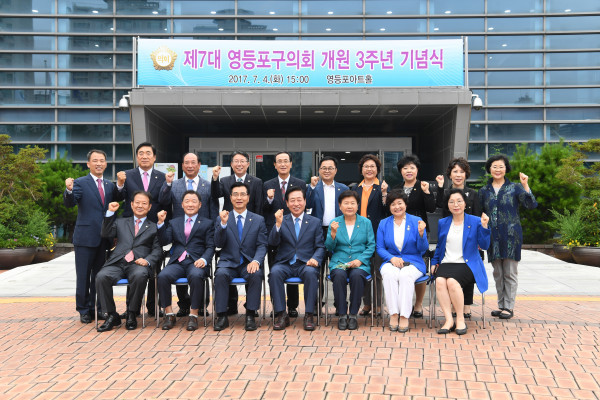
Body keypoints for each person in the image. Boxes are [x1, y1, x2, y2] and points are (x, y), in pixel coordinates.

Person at [479, 155, 537, 320]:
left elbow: (531, 205)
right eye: (494, 166)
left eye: (501, 166)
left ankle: (509, 307)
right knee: (498, 273)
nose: (498, 170)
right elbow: (479, 214)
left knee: (510, 272)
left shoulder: (515, 188)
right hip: (493, 237)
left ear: (506, 169)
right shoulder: (484, 191)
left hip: (511, 237)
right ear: (489, 169)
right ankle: (501, 305)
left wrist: (525, 185)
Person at [159, 152, 217, 317]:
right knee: (178, 265)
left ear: (199, 165)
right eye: (187, 163)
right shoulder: (174, 184)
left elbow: (213, 209)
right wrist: (167, 184)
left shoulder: (208, 185)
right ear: (182, 166)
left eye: (193, 163)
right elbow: (163, 201)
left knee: (199, 271)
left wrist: (213, 230)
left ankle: (201, 306)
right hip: (180, 233)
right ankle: (183, 304)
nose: (190, 166)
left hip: (201, 234)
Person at [95, 192, 163, 332]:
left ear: (149, 207)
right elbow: (105, 234)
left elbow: (158, 250)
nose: (140, 206)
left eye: (144, 203)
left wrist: (148, 260)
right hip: (117, 262)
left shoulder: (154, 227)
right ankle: (111, 315)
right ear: (131, 205)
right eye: (137, 202)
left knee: (139, 275)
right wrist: (110, 213)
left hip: (138, 263)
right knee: (101, 276)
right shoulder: (120, 222)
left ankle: (132, 313)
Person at [115, 141, 168, 318]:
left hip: (154, 228)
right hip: (133, 229)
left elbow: (165, 202)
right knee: (132, 266)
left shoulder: (162, 177)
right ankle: (132, 308)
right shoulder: (127, 175)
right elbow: (118, 197)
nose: (144, 156)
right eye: (141, 153)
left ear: (154, 157)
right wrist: (120, 184)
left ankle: (153, 307)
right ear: (137, 157)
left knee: (154, 267)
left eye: (148, 153)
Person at [64, 149, 115, 324]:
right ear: (88, 164)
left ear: (106, 164)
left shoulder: (109, 185)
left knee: (99, 277)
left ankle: (98, 308)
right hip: (85, 238)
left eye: (102, 160)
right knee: (84, 276)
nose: (99, 163)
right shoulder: (79, 183)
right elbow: (70, 203)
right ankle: (84, 310)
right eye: (95, 160)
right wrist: (69, 190)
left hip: (104, 239)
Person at [211, 150, 263, 316]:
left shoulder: (256, 182)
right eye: (236, 161)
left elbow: (258, 204)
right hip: (230, 223)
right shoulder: (225, 181)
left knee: (253, 271)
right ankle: (229, 307)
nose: (239, 164)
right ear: (231, 164)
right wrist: (215, 178)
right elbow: (216, 194)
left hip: (250, 225)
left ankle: (251, 309)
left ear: (248, 164)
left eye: (242, 161)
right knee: (224, 272)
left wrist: (256, 224)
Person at [431, 189, 490, 335]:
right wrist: (434, 262)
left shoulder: (475, 221)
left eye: (459, 201)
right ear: (448, 205)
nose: (455, 205)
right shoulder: (443, 222)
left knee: (452, 282)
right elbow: (439, 246)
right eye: (451, 202)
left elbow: (484, 245)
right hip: (447, 262)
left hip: (466, 263)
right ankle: (448, 320)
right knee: (439, 281)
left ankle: (460, 319)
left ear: (465, 204)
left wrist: (484, 227)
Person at [156, 191, 215, 331]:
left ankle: (193, 315)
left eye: (194, 201)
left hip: (196, 261)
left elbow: (210, 246)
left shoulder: (207, 223)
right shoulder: (174, 222)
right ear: (182, 204)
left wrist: (204, 259)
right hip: (178, 261)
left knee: (196, 275)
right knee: (162, 276)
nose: (190, 204)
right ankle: (169, 314)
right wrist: (160, 223)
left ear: (200, 205)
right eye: (187, 201)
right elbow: (165, 241)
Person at [268, 187, 325, 331]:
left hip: (305, 263)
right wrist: (278, 224)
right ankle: (282, 314)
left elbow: (320, 246)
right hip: (285, 262)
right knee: (274, 273)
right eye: (292, 200)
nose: (296, 204)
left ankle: (309, 315)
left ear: (305, 201)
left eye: (299, 200)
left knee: (311, 273)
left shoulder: (314, 222)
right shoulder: (282, 219)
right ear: (287, 203)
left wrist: (315, 259)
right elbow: (272, 243)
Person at [213, 182, 268, 331]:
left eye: (242, 194)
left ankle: (250, 315)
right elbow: (218, 243)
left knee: (256, 274)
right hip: (228, 263)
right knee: (220, 275)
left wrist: (256, 261)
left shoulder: (258, 220)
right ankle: (222, 316)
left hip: (247, 263)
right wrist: (223, 225)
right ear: (230, 198)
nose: (239, 198)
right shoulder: (222, 218)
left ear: (248, 198)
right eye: (235, 194)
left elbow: (262, 245)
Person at [435, 157, 482, 318]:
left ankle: (466, 305)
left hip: (470, 239)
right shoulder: (446, 193)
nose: (458, 175)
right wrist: (440, 187)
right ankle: (454, 305)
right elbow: (440, 207)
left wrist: (479, 237)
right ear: (450, 174)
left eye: (461, 171)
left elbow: (477, 215)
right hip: (451, 238)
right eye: (455, 171)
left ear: (466, 174)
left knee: (468, 270)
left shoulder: (473, 194)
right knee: (448, 276)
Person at [376, 190, 428, 332]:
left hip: (413, 262)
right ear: (389, 207)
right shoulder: (384, 223)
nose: (397, 207)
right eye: (393, 204)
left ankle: (404, 315)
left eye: (400, 203)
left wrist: (421, 234)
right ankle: (394, 314)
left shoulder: (416, 221)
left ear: (405, 204)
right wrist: (391, 258)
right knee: (389, 274)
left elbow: (423, 249)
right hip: (391, 261)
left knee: (405, 275)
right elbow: (380, 248)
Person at [263, 151, 307, 318]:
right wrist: (269, 200)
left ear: (291, 164)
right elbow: (262, 209)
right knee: (275, 271)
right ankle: (277, 306)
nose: (283, 164)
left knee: (293, 265)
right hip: (274, 233)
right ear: (275, 165)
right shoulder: (267, 184)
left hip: (294, 234)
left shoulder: (300, 183)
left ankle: (293, 306)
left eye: (285, 161)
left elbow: (302, 206)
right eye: (279, 161)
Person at [326, 190, 376, 330]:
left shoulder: (365, 222)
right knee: (339, 275)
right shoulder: (334, 223)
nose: (349, 206)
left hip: (359, 263)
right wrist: (333, 234)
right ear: (340, 206)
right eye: (346, 203)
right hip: (339, 262)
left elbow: (371, 245)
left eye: (353, 203)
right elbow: (329, 247)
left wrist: (360, 260)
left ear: (357, 205)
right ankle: (342, 314)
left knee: (357, 275)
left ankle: (353, 314)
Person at [306, 156, 348, 310]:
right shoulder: (312, 187)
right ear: (319, 170)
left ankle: (340, 304)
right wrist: (311, 187)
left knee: (339, 269)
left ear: (336, 170)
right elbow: (307, 205)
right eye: (324, 168)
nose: (327, 171)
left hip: (338, 233)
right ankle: (316, 304)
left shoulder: (344, 188)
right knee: (317, 269)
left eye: (330, 168)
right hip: (318, 233)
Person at [396, 154, 436, 319]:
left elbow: (431, 208)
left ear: (417, 170)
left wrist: (427, 192)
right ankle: (402, 304)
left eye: (412, 167)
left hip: (419, 230)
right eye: (405, 168)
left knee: (420, 268)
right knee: (402, 267)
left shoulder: (423, 186)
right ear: (401, 171)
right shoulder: (397, 189)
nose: (409, 171)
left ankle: (418, 304)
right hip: (399, 231)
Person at [353, 154, 387, 317]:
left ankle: (378, 305)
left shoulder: (382, 187)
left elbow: (387, 211)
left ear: (377, 169)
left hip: (378, 234)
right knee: (363, 269)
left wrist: (385, 194)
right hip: (359, 235)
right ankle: (366, 304)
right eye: (366, 166)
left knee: (378, 271)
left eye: (372, 166)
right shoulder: (355, 189)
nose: (369, 169)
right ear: (361, 170)